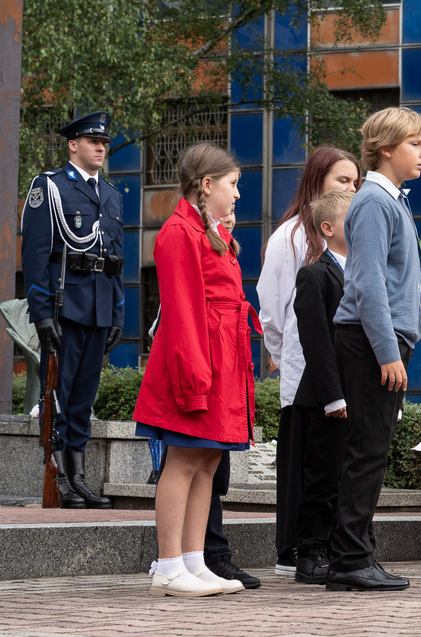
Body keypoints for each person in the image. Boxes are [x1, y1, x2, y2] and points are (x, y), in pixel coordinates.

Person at [133, 142, 254, 597]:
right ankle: (167, 564)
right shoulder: (179, 232)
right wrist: (194, 378)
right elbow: (183, 312)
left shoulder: (208, 230)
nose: (238, 194)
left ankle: (192, 560)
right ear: (207, 185)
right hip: (196, 358)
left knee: (208, 460)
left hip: (219, 357)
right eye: (233, 184)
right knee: (184, 459)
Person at [327, 107, 421, 592]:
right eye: (415, 144)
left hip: (382, 341)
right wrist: (388, 351)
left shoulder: (393, 201)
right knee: (366, 451)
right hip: (370, 343)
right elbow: (367, 283)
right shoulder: (372, 201)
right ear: (386, 148)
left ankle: (358, 552)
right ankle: (349, 559)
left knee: (373, 449)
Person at [258, 146, 361, 575]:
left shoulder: (351, 246)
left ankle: (324, 547)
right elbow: (273, 308)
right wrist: (285, 358)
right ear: (318, 181)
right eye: (342, 181)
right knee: (305, 466)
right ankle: (297, 550)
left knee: (329, 466)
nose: (351, 189)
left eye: (355, 182)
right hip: (304, 369)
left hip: (340, 372)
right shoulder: (291, 237)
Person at [20, 111, 124, 509]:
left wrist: (117, 312)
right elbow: (35, 256)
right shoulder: (49, 188)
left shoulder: (111, 195)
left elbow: (115, 260)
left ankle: (78, 479)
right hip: (65, 310)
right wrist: (42, 313)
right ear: (73, 145)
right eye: (92, 141)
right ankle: (58, 477)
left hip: (98, 310)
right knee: (58, 396)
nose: (100, 147)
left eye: (104, 143)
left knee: (83, 397)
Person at [288, 190, 354, 584]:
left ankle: (346, 547)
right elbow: (316, 340)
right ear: (327, 229)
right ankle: (311, 551)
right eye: (352, 218)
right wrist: (333, 395)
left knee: (351, 477)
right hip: (325, 396)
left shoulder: (368, 272)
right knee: (322, 478)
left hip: (361, 393)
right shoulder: (314, 275)